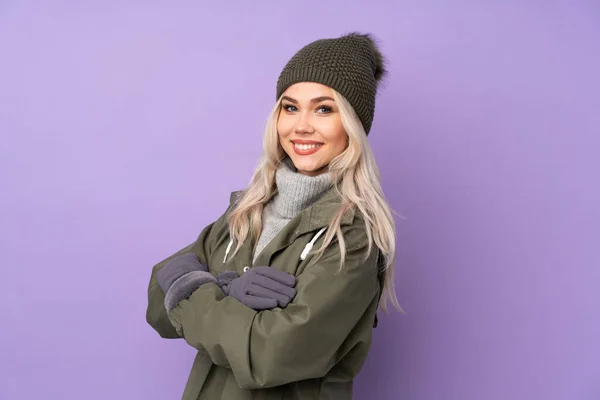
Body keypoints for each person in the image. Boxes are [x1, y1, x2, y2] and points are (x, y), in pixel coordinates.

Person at [146, 31, 401, 400]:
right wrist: (227, 290)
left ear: (352, 124)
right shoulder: (245, 209)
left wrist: (195, 289)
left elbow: (268, 354)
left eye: (324, 108)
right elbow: (157, 302)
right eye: (290, 106)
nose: (301, 126)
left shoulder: (353, 236)